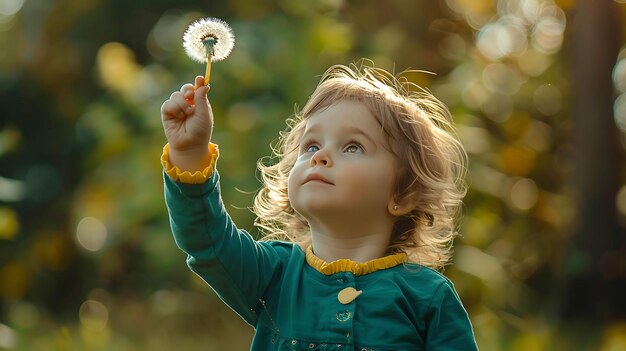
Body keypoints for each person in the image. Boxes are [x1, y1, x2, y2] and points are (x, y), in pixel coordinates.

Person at [160, 62, 479, 350]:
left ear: (402, 195)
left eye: (353, 146)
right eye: (311, 144)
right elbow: (207, 241)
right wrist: (189, 155)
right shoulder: (274, 275)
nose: (319, 156)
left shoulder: (428, 298)